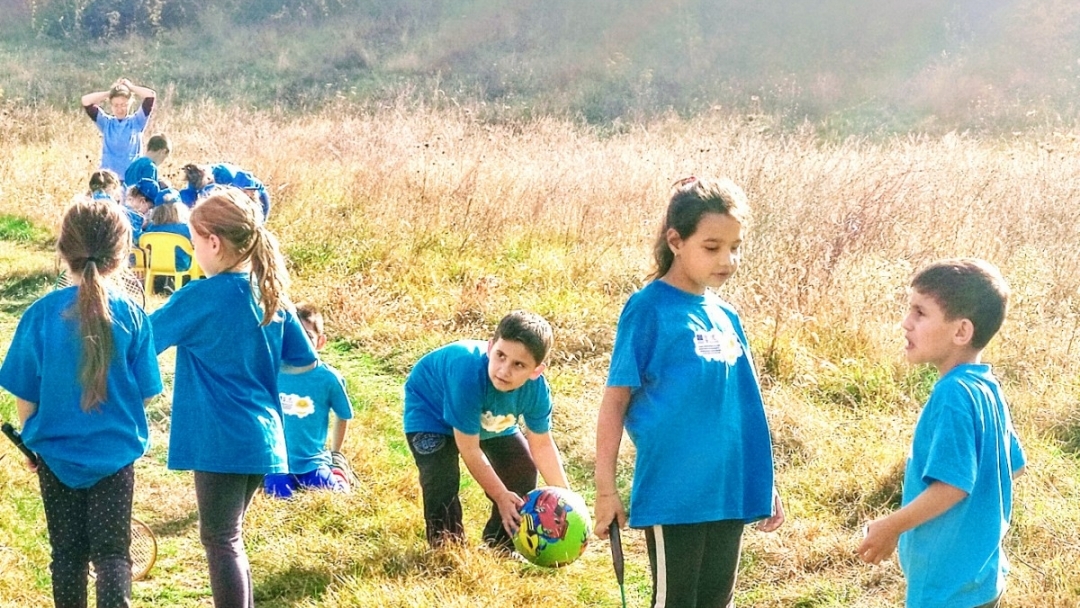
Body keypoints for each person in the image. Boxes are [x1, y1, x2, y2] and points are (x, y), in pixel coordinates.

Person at [594, 176, 785, 608]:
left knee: (718, 601)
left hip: (729, 489)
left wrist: (762, 479)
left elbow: (742, 408)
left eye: (736, 247)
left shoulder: (727, 316)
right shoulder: (648, 309)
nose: (728, 260)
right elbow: (615, 402)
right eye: (713, 247)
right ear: (676, 241)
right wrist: (606, 490)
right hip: (674, 492)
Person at [148, 188, 316, 608]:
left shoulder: (199, 297)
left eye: (193, 241)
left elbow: (142, 341)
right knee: (231, 537)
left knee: (221, 540)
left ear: (214, 242)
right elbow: (303, 361)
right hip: (264, 438)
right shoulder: (270, 293)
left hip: (219, 438)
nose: (192, 250)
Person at [0, 199, 162, 608]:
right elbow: (146, 391)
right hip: (115, 455)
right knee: (112, 556)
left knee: (67, 557)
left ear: (62, 250)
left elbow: (25, 395)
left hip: (55, 457)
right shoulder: (133, 317)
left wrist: (35, 443)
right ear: (122, 255)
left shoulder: (38, 316)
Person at [857, 258, 1026, 608]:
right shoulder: (987, 387)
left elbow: (952, 486)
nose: (906, 323)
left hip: (945, 587)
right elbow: (1014, 465)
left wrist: (891, 526)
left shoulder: (952, 395)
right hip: (982, 577)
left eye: (920, 312)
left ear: (961, 331)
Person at [403, 310, 570, 550]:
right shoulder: (467, 374)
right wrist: (501, 496)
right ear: (490, 347)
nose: (504, 370)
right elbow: (469, 449)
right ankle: (447, 549)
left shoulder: (537, 392)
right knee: (441, 478)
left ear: (536, 371)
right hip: (431, 412)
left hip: (487, 417)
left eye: (518, 364)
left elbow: (542, 444)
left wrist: (567, 500)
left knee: (522, 469)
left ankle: (499, 546)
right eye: (500, 355)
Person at [264, 303, 353, 499]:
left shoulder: (328, 378)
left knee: (335, 496)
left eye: (308, 337)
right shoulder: (270, 371)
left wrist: (335, 454)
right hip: (277, 460)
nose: (299, 344)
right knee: (278, 496)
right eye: (292, 337)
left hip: (312, 461)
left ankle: (338, 474)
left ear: (320, 342)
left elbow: (343, 415)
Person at [80, 78, 156, 180]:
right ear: (111, 105)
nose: (120, 109)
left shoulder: (137, 121)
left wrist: (131, 87)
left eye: (123, 105)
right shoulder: (106, 123)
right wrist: (110, 93)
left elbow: (150, 95)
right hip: (108, 180)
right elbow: (86, 101)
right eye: (116, 105)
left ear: (129, 104)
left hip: (131, 178)